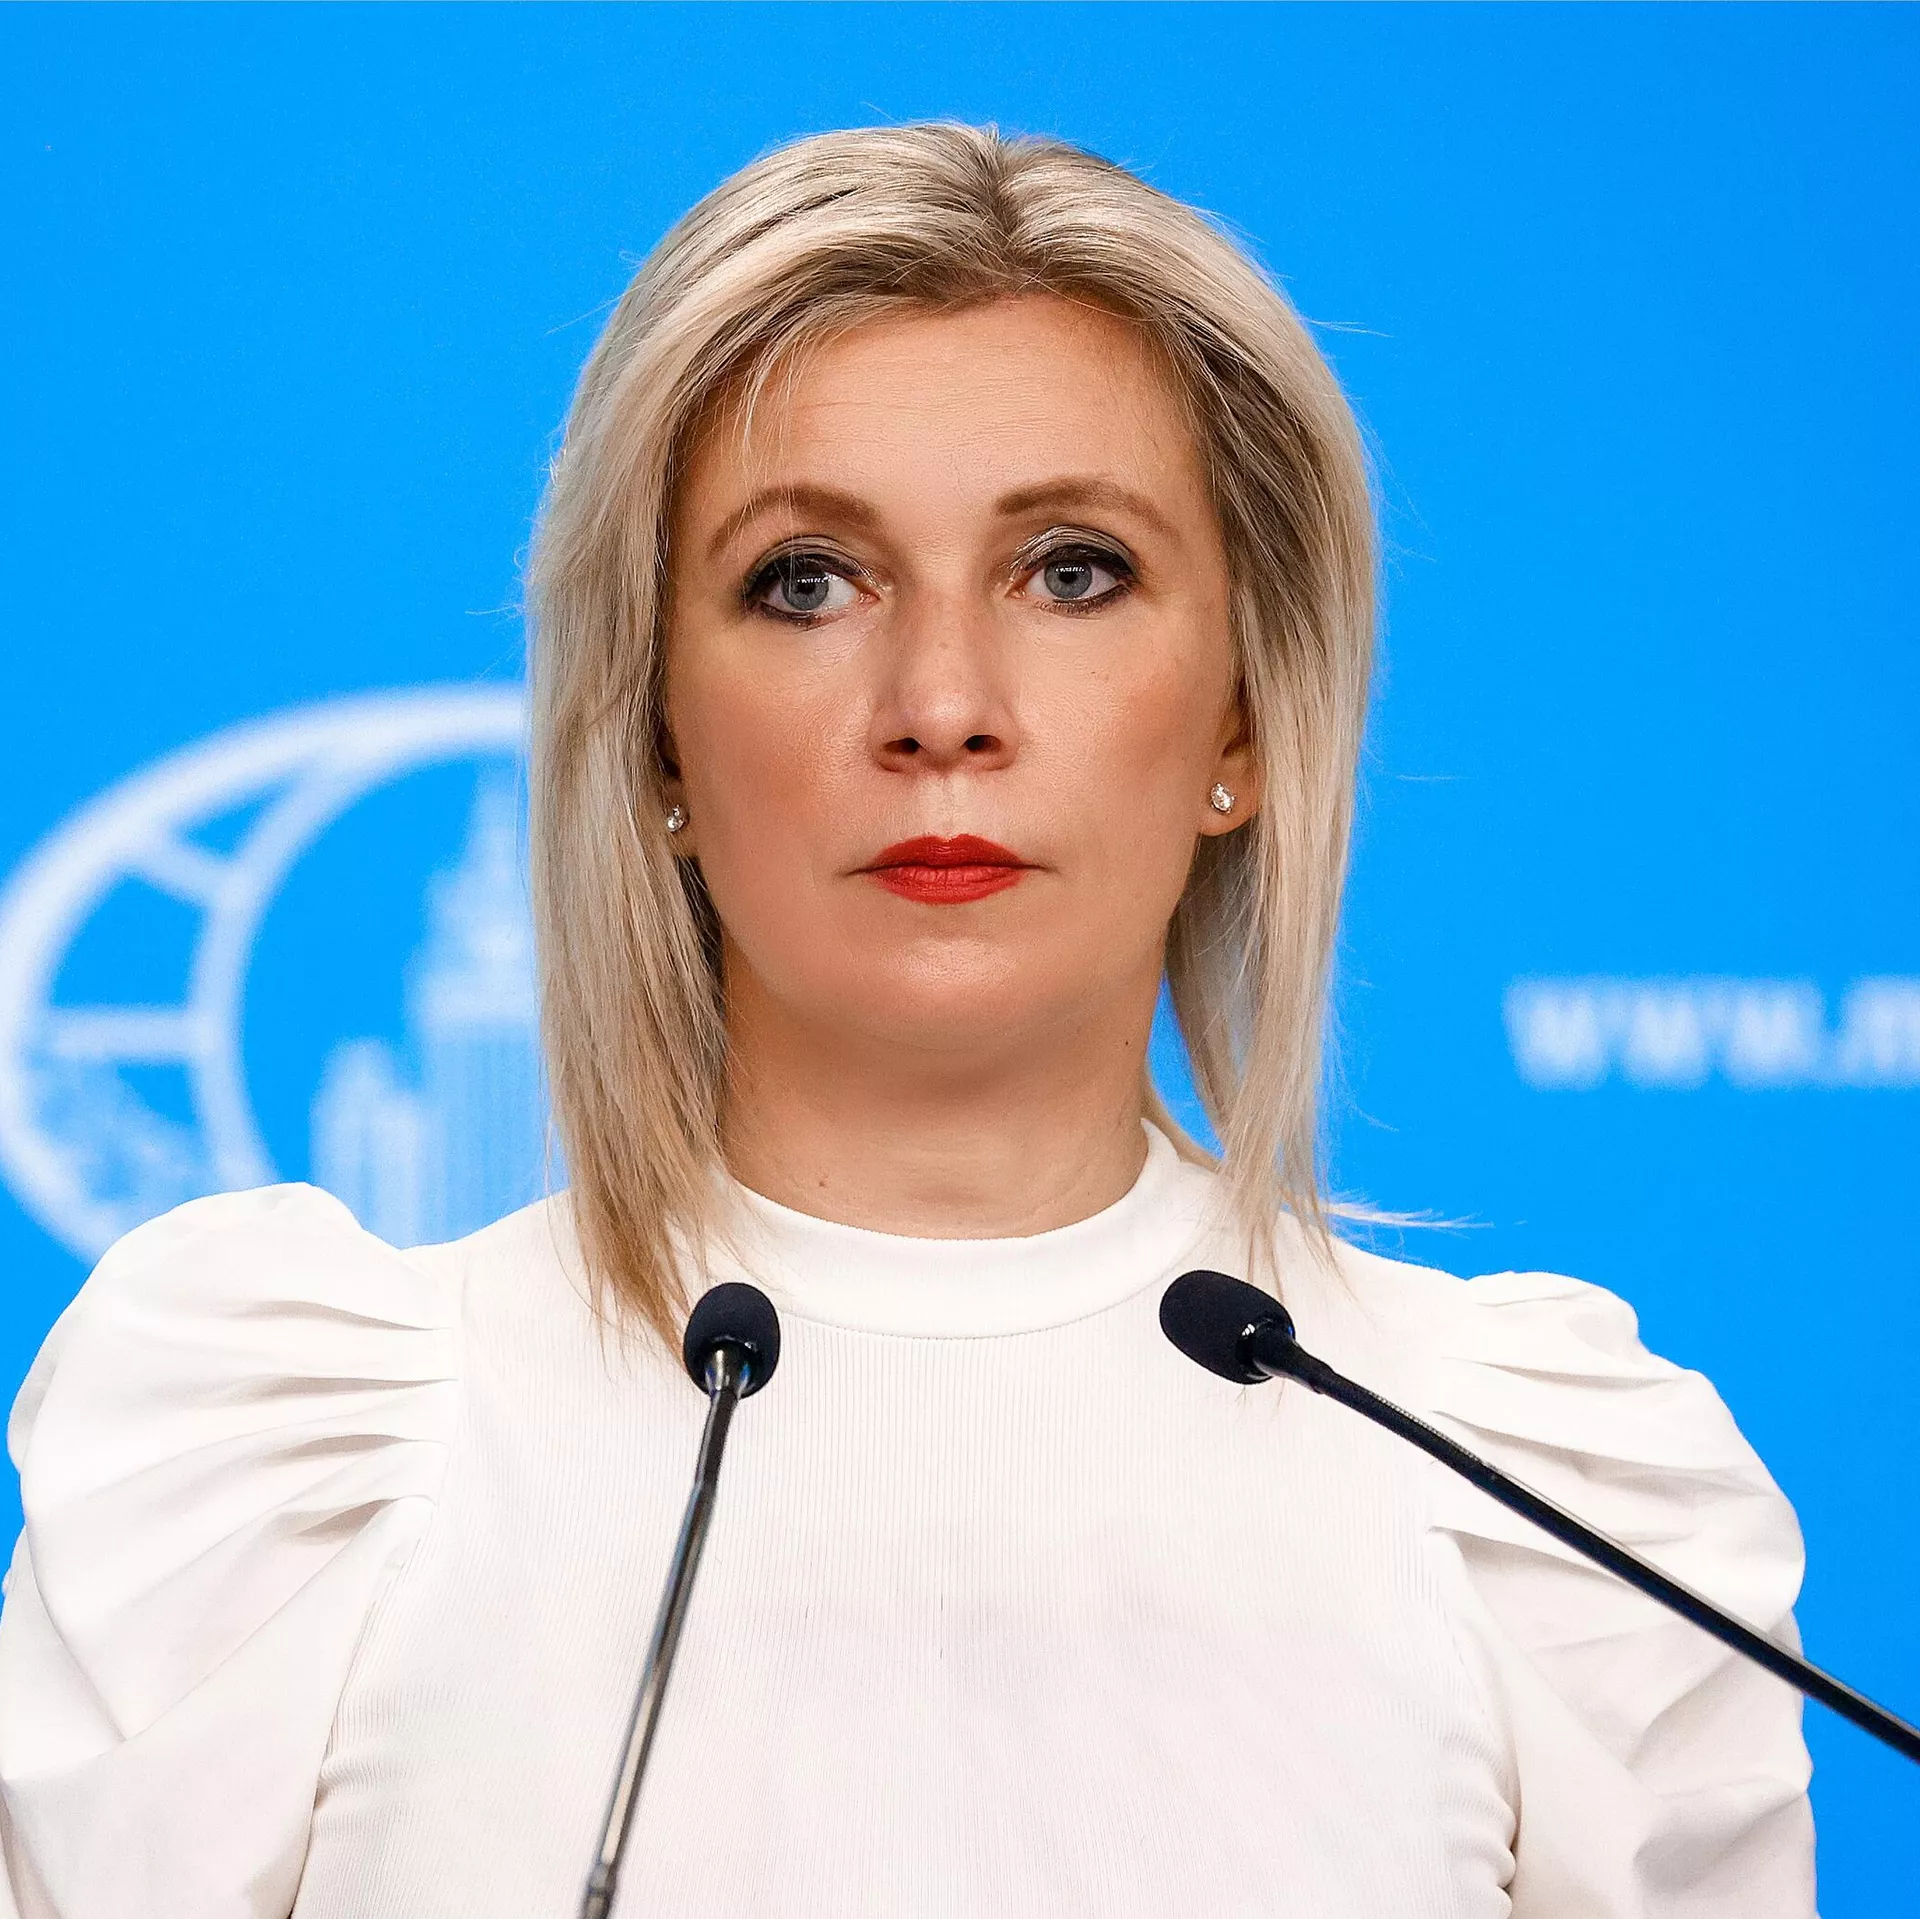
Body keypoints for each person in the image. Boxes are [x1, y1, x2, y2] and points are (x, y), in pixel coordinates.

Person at [0, 124, 1814, 1918]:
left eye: (1073, 570)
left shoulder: (1541, 1502)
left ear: (1247, 722)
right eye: (807, 580)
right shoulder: (299, 1462)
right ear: (654, 735)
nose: (941, 704)